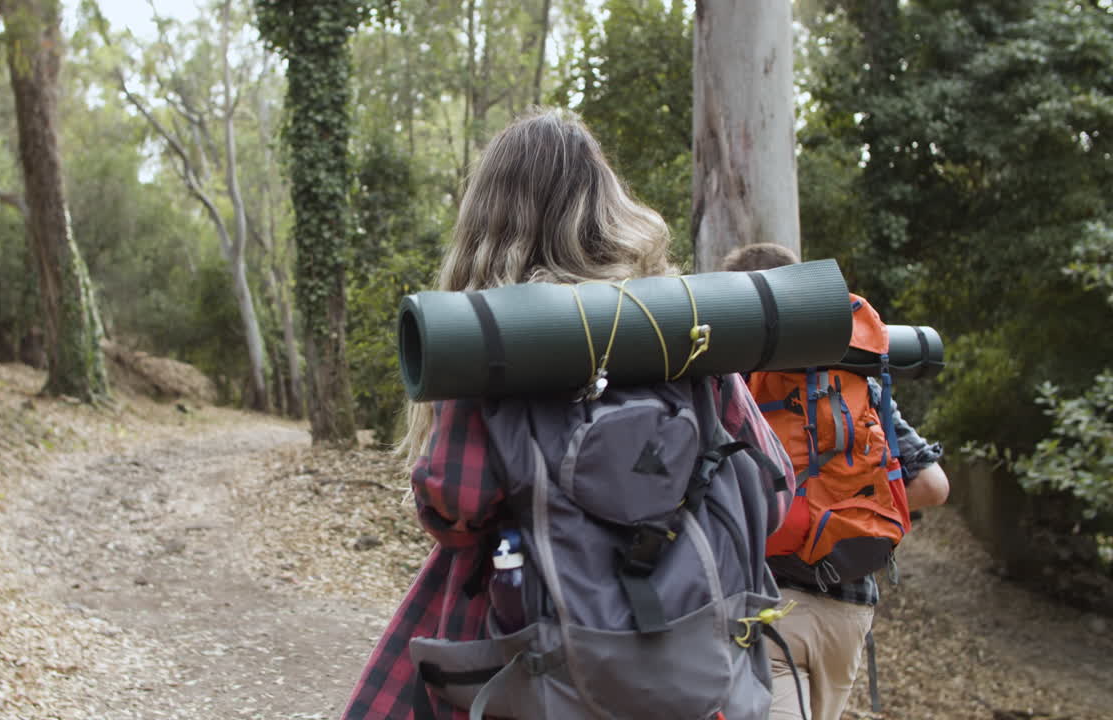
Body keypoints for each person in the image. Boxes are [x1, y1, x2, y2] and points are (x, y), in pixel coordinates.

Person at [340, 109, 797, 720]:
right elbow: (774, 489)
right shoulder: (686, 329)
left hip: (526, 650)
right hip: (689, 658)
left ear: (487, 219)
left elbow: (454, 506)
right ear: (610, 203)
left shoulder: (487, 343)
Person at [721, 242, 950, 720]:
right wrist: (843, 510)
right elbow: (933, 485)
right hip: (849, 608)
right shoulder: (858, 381)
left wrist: (801, 517)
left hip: (769, 601)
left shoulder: (731, 380)